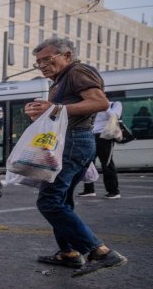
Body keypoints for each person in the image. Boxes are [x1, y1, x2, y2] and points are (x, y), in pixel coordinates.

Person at [24, 36, 127, 276]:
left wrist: (55, 109)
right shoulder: (58, 82)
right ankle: (69, 253)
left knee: (49, 201)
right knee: (62, 200)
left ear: (67, 56)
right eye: (38, 62)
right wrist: (39, 113)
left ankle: (100, 252)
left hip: (74, 142)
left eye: (47, 59)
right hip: (68, 141)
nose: (42, 65)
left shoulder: (78, 71)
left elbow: (100, 103)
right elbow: (57, 114)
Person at [79, 100, 122, 198]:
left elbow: (115, 116)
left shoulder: (115, 104)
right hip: (91, 135)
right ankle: (89, 190)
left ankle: (114, 191)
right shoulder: (93, 105)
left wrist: (105, 106)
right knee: (88, 163)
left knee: (107, 164)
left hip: (105, 136)